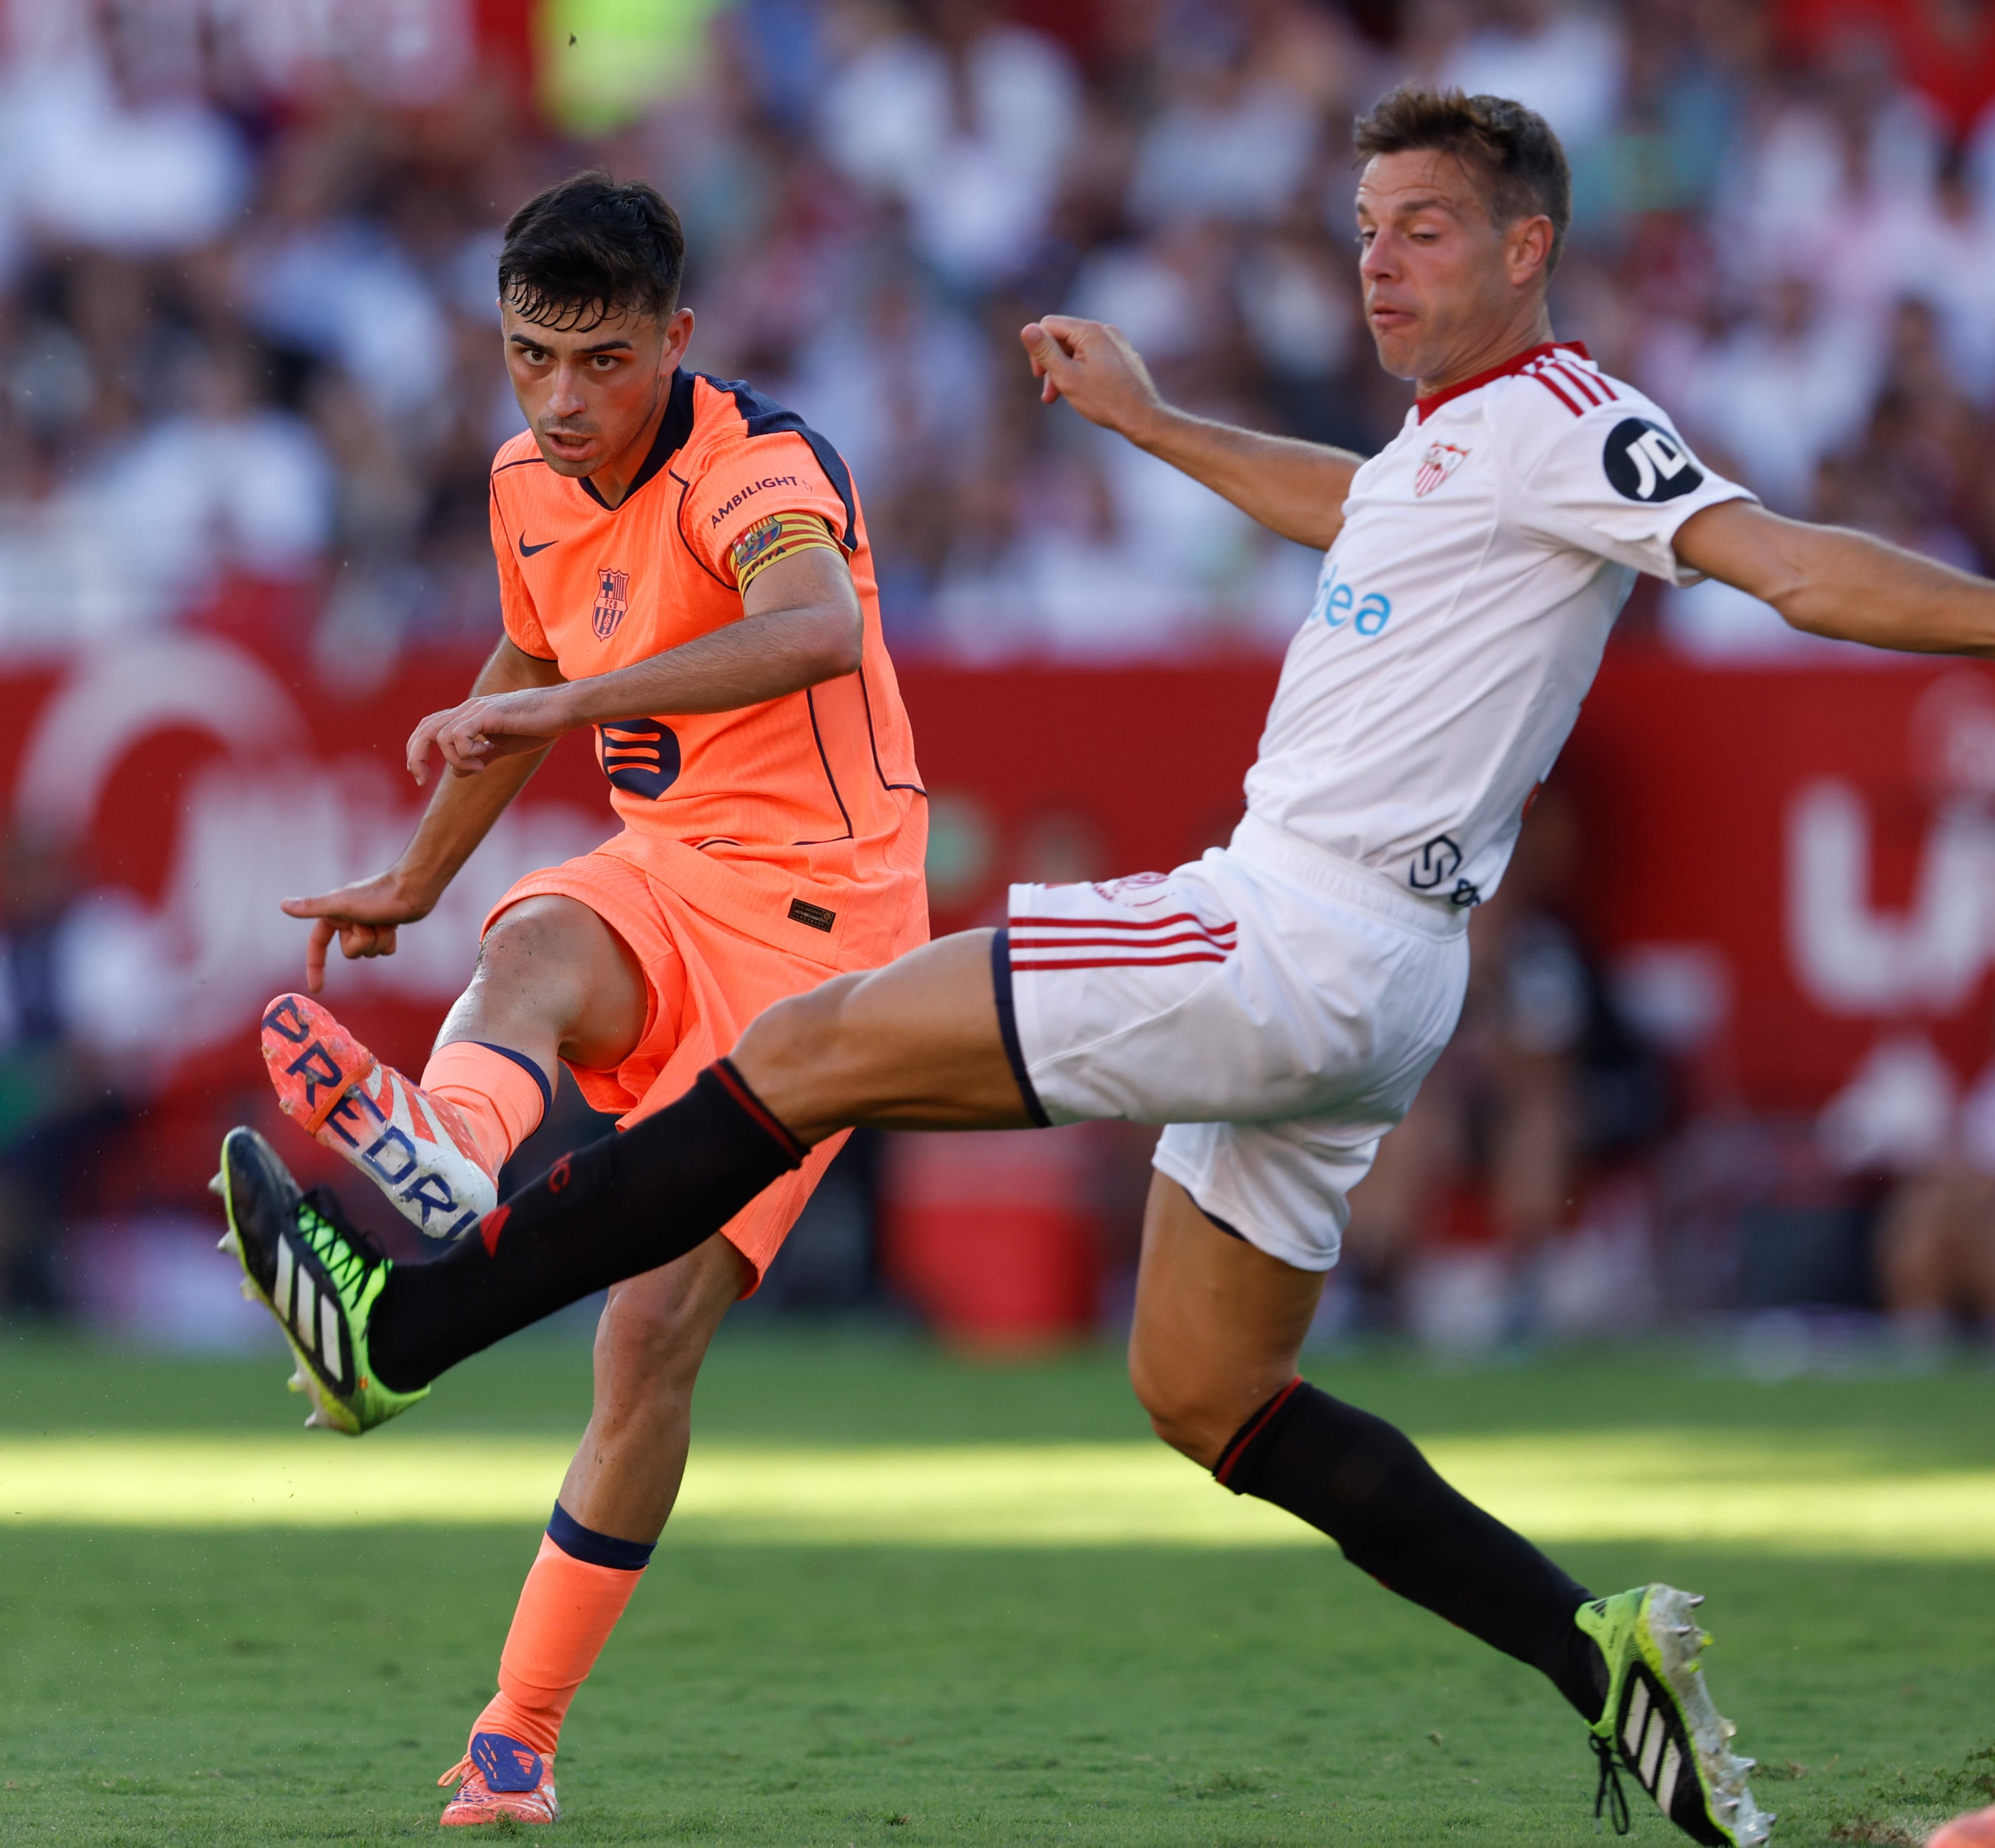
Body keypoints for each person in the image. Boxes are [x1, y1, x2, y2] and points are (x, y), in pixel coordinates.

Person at [218, 86, 1995, 1843]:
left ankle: (407, 1327)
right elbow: (1361, 507)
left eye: (1424, 232)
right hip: (1376, 982)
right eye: (1363, 232)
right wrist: (1151, 421)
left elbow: (1790, 569)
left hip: (1289, 926)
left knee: (809, 1049)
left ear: (1530, 247)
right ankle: (1590, 1651)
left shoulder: (1568, 418)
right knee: (1208, 1393)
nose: (1378, 266)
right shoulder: (1452, 445)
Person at [243, 172, 929, 1825]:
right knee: (530, 946)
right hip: (666, 867)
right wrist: (417, 877)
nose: (560, 400)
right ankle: (448, 1153)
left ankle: (518, 1732)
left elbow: (813, 628)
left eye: (601, 362)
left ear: (674, 339)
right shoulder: (519, 481)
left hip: (825, 925)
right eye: (528, 358)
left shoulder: (757, 466)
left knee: (647, 1336)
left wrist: (568, 708)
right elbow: (530, 662)